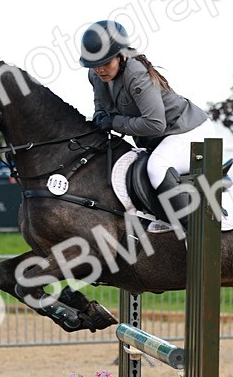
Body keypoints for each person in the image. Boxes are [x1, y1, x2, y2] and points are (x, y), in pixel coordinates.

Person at [80, 20, 211, 232]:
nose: (99, 70)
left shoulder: (135, 72)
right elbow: (100, 110)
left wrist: (113, 122)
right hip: (159, 139)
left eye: (105, 62)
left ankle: (192, 229)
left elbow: (155, 123)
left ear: (121, 55)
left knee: (156, 168)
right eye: (94, 64)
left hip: (188, 131)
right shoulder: (95, 75)